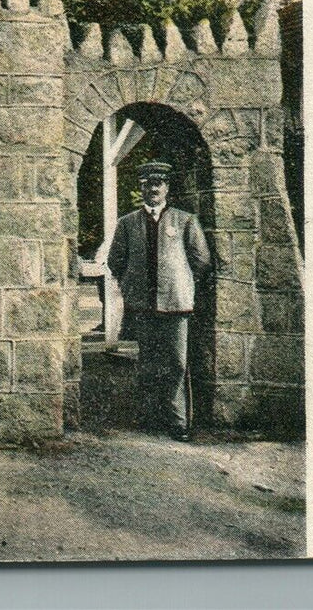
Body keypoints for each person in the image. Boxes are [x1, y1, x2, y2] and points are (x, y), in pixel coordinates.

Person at [107, 161, 212, 441]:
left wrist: (181, 283)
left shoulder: (185, 220)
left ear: (166, 187)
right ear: (141, 188)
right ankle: (149, 416)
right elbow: (116, 260)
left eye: (159, 183)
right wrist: (132, 286)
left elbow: (201, 260)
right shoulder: (128, 223)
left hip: (176, 305)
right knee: (147, 362)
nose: (153, 189)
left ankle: (178, 422)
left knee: (177, 363)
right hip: (143, 305)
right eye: (148, 184)